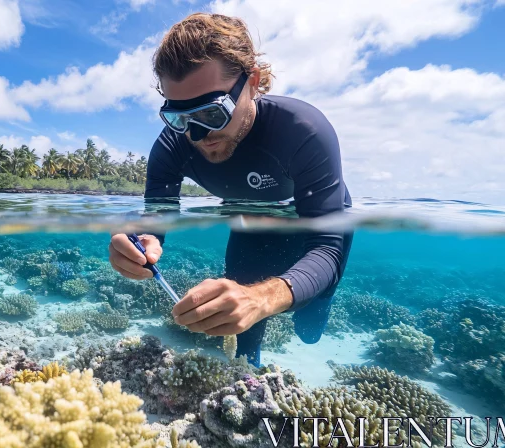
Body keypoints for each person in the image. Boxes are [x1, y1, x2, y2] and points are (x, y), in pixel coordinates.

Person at [107, 13, 354, 368]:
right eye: (179, 117)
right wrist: (140, 241)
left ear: (252, 82)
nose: (196, 136)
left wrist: (265, 298)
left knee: (309, 328)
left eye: (212, 112)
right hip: (252, 224)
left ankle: (315, 307)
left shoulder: (303, 131)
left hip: (314, 228)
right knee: (242, 339)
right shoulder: (172, 146)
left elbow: (326, 250)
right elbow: (156, 220)